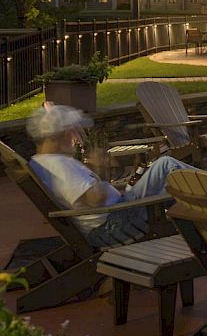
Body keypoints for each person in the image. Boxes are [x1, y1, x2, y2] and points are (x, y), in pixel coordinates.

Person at [27, 103, 195, 247]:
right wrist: (100, 169)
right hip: (114, 224)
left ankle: (205, 203)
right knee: (165, 165)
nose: (75, 139)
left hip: (116, 214)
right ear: (64, 135)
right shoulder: (59, 165)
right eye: (73, 132)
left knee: (166, 179)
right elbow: (95, 199)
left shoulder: (39, 161)